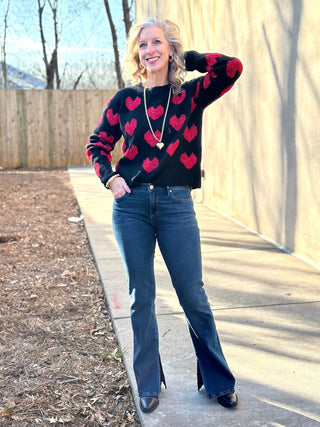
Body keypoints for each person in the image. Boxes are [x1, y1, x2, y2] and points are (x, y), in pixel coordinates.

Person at [86, 17, 243, 413]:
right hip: (132, 207)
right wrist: (110, 178)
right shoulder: (125, 100)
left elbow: (231, 68)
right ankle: (149, 381)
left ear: (169, 49)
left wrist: (184, 58)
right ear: (136, 54)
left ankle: (218, 381)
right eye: (143, 45)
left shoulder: (191, 95)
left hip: (176, 205)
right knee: (141, 297)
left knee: (193, 294)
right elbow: (98, 143)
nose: (150, 50)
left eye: (158, 42)